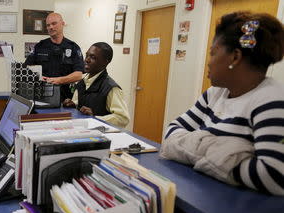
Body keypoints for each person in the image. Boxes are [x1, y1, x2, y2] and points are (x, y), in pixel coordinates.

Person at [160, 12, 284, 196]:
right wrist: (226, 153)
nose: (208, 62)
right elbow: (170, 135)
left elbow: (274, 176)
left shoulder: (271, 100)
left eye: (213, 53)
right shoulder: (214, 93)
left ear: (235, 57)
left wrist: (192, 144)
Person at [63, 42, 130, 128]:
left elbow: (122, 118)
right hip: (81, 131)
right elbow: (78, 104)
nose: (86, 60)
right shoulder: (81, 82)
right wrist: (73, 105)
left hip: (101, 135)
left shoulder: (111, 88)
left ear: (106, 62)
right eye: (87, 55)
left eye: (93, 57)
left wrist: (95, 118)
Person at [25, 12, 84, 101]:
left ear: (62, 24)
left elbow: (79, 75)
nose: (51, 27)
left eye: (54, 23)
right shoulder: (40, 46)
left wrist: (59, 80)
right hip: (42, 96)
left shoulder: (73, 47)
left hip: (65, 99)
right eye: (48, 25)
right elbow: (26, 68)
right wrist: (38, 77)